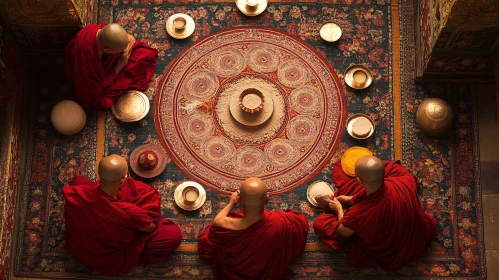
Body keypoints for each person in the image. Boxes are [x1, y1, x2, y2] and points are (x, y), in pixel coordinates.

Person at [313, 155, 436, 271]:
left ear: (359, 181)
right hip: (415, 231)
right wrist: (350, 199)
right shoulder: (403, 180)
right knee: (393, 168)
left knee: (320, 223)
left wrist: (339, 209)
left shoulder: (360, 214)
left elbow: (342, 232)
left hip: (394, 249)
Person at [62, 155, 181, 275]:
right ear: (123, 179)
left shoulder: (80, 194)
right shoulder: (130, 213)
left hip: (84, 243)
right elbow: (151, 228)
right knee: (174, 235)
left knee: (78, 181)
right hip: (109, 255)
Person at [198, 177, 309, 280]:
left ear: (240, 200)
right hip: (266, 270)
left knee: (208, 234)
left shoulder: (225, 225)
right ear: (267, 199)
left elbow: (217, 220)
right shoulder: (280, 222)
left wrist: (231, 203)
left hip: (234, 271)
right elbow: (302, 225)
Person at [64, 23, 158, 110]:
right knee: (104, 103)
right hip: (98, 74)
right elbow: (96, 87)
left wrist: (128, 39)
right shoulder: (86, 60)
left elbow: (114, 33)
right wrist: (120, 65)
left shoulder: (99, 31)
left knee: (147, 54)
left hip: (108, 56)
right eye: (120, 50)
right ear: (108, 51)